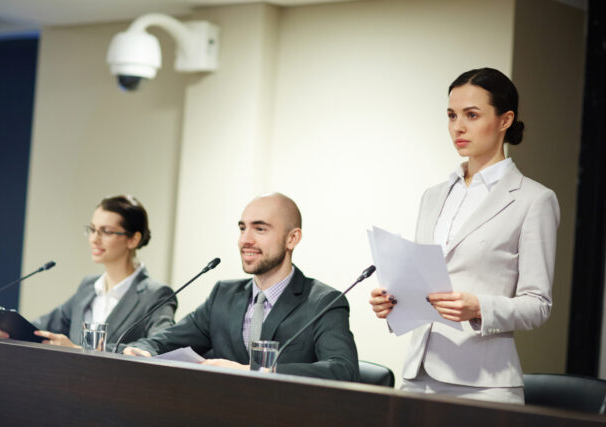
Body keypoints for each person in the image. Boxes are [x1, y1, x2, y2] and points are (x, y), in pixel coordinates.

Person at [369, 68, 559, 403]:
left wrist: (479, 307)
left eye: (472, 115)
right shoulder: (433, 195)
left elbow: (538, 305)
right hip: (417, 375)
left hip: (485, 384)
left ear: (505, 120)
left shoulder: (534, 200)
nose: (458, 126)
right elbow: (428, 281)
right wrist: (395, 301)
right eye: (452, 115)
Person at [124, 193, 359, 381]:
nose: (245, 239)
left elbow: (342, 369)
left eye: (260, 229)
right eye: (242, 228)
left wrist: (252, 370)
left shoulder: (323, 302)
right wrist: (142, 350)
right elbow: (163, 341)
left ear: (292, 238)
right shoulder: (223, 296)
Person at [0, 195, 177, 348]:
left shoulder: (156, 295)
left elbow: (159, 346)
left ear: (133, 240)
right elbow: (42, 328)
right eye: (92, 229)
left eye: (106, 231)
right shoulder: (88, 286)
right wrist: (11, 330)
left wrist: (80, 351)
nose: (94, 239)